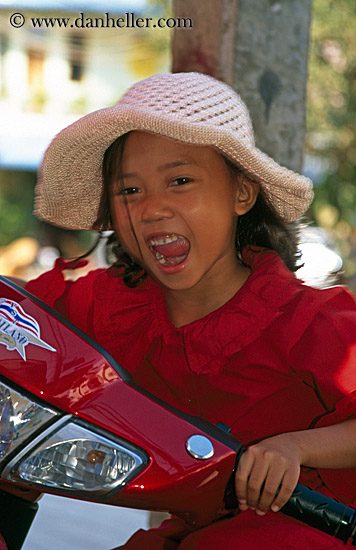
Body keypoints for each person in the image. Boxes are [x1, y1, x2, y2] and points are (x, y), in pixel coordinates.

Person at [25, 72, 356, 549]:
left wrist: (296, 446)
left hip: (314, 528)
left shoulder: (308, 321)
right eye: (130, 191)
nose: (152, 208)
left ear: (242, 194)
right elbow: (23, 319)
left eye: (180, 181)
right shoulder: (112, 305)